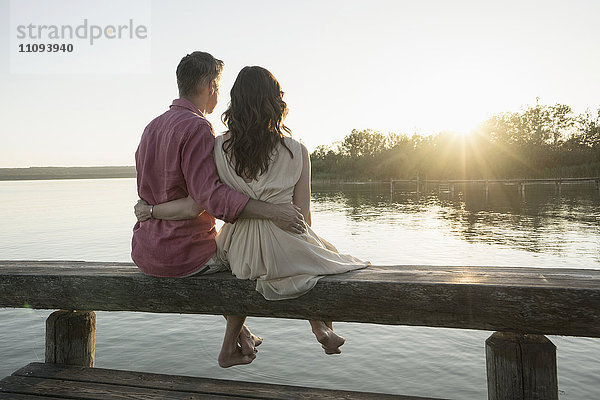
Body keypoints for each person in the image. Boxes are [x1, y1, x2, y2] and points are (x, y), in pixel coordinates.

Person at [135, 66, 369, 366]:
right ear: (276, 101)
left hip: (237, 250)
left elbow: (210, 197)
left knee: (246, 266)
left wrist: (151, 210)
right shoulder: (298, 151)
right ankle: (320, 326)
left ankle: (239, 340)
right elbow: (304, 219)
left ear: (236, 103)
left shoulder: (219, 146)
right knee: (319, 256)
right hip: (285, 240)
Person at [132, 52, 306, 368]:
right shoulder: (199, 128)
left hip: (146, 254)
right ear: (212, 85)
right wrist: (272, 211)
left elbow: (149, 198)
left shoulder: (151, 128)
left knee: (233, 248)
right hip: (185, 256)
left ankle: (245, 337)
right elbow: (206, 199)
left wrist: (153, 211)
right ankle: (232, 347)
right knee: (243, 259)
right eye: (218, 86)